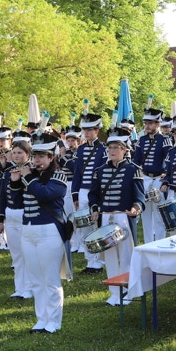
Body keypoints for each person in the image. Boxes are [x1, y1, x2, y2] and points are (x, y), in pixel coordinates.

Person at [18, 132, 69, 333]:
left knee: (50, 279)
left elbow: (45, 194)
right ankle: (41, 318)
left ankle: (54, 321)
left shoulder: (59, 175)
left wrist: (28, 177)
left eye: (41, 156)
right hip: (28, 229)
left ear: (51, 157)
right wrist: (14, 180)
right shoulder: (29, 175)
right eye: (35, 156)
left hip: (49, 230)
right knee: (35, 279)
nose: (37, 160)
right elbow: (16, 198)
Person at [88, 127, 145, 306]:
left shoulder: (133, 170)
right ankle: (114, 292)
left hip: (124, 217)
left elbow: (140, 197)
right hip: (106, 217)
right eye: (110, 147)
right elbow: (93, 195)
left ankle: (127, 291)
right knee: (111, 256)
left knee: (126, 256)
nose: (112, 151)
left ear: (125, 149)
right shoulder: (100, 170)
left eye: (116, 147)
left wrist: (136, 208)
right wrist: (94, 208)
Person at [70, 111, 107, 274]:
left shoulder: (103, 149)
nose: (86, 133)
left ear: (97, 130)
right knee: (84, 227)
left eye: (90, 129)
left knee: (96, 226)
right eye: (85, 130)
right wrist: (75, 194)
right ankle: (89, 260)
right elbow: (77, 173)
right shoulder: (80, 149)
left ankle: (98, 261)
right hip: (82, 191)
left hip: (96, 192)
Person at [0, 140, 34, 299]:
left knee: (27, 253)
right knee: (16, 254)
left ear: (28, 154)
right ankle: (19, 288)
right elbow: (2, 197)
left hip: (25, 214)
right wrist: (0, 219)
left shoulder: (31, 172)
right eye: (15, 152)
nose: (17, 156)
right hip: (10, 214)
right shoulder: (7, 172)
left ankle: (30, 288)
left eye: (20, 153)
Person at [133, 104, 168, 243]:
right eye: (146, 123)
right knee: (145, 214)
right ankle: (148, 243)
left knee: (159, 214)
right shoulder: (141, 140)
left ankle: (160, 241)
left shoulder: (164, 140)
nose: (147, 126)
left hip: (159, 179)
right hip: (145, 178)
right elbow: (136, 161)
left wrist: (166, 175)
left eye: (150, 123)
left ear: (158, 124)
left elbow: (169, 160)